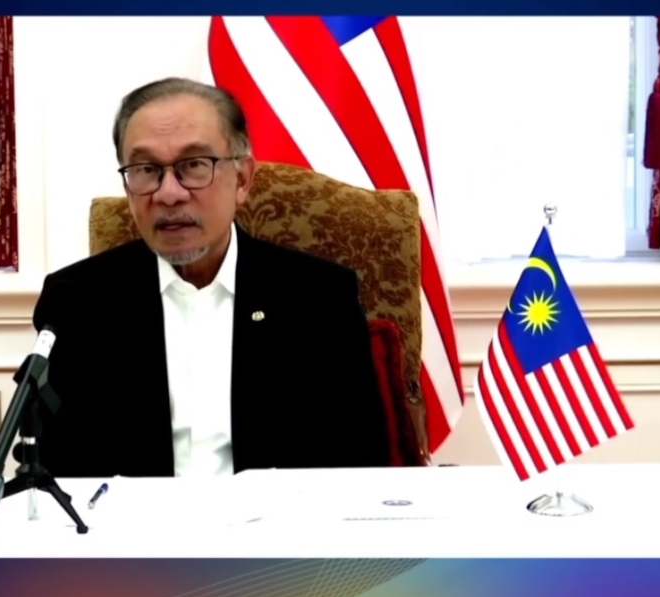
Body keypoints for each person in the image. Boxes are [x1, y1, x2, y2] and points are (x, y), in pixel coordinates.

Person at [29, 77, 390, 478]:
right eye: (146, 169)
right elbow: (56, 469)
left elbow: (361, 464)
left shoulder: (318, 297)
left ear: (242, 179)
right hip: (135, 518)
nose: (169, 194)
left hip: (279, 516)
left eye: (194, 165)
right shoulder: (78, 301)